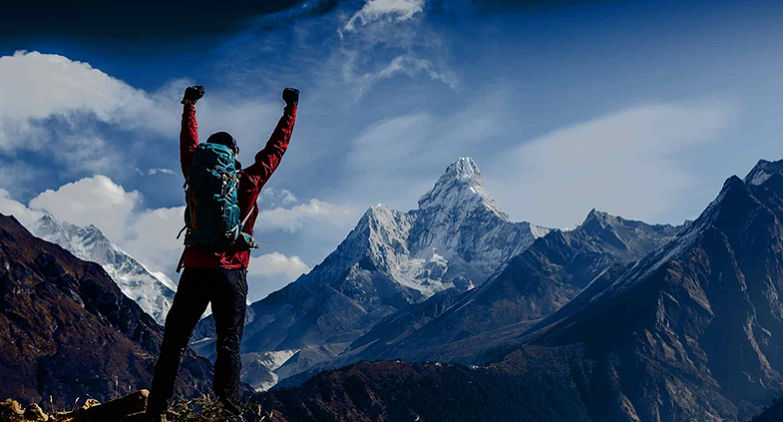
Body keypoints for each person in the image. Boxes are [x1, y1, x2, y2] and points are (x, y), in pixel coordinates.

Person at [145, 85, 299, 421]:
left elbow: (187, 141)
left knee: (173, 346)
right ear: (234, 155)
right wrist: (290, 109)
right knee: (227, 346)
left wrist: (189, 105)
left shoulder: (194, 171)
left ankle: (155, 411)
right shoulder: (249, 181)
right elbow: (277, 149)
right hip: (232, 273)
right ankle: (226, 414)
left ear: (207, 156)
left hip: (196, 269)